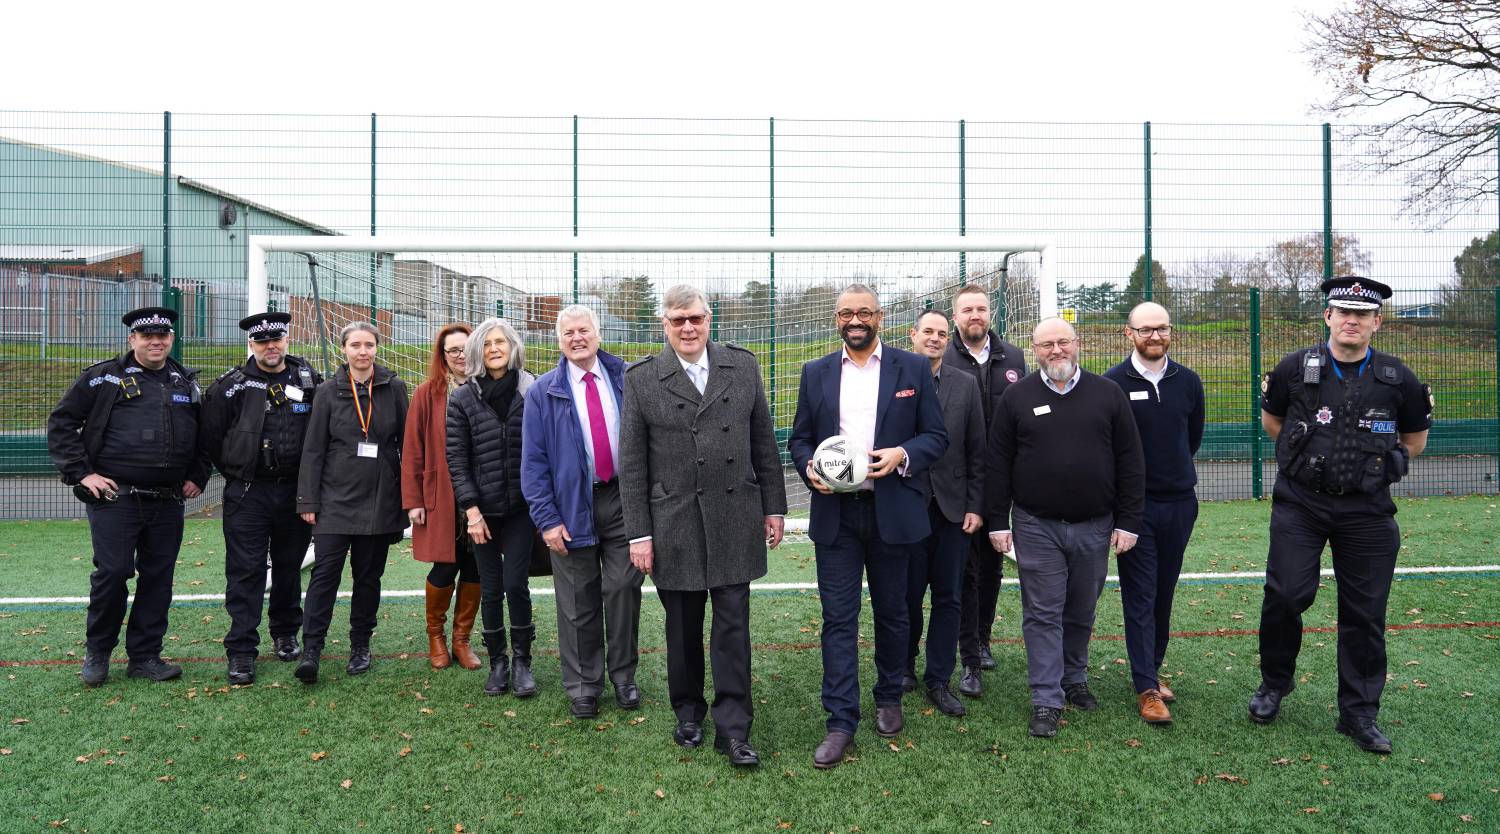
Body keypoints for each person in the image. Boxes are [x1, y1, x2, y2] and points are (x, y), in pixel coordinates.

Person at [1250, 276, 1430, 754]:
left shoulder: (1397, 377)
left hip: (1367, 510)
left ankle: (1358, 713)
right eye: (1342, 311)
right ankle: (1274, 684)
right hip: (1302, 503)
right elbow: (1274, 423)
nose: (1352, 320)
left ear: (1377, 321)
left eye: (1362, 314)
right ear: (1327, 317)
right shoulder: (1294, 368)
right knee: (1286, 594)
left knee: (1365, 613)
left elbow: (1413, 439)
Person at [619, 285, 788, 768]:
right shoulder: (643, 378)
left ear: (709, 319)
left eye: (695, 318)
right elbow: (632, 465)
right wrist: (639, 534)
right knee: (683, 627)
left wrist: (774, 508)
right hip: (674, 522)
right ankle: (688, 710)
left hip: (735, 516)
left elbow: (762, 443)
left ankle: (734, 728)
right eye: (678, 321)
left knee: (733, 628)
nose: (688, 328)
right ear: (664, 325)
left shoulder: (743, 366)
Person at [788, 284, 947, 770]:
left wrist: (903, 454)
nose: (854, 320)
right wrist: (810, 469)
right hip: (837, 515)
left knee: (894, 613)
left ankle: (889, 696)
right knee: (838, 620)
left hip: (892, 511)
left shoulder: (912, 368)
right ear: (836, 319)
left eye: (863, 312)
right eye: (845, 314)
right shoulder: (815, 372)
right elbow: (799, 440)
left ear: (879, 316)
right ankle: (840, 722)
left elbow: (936, 437)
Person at [984, 317, 1145, 739]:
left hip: (1096, 525)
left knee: (1080, 610)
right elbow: (998, 464)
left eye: (1063, 342)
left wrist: (1128, 521)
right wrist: (998, 522)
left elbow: (1131, 461)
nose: (1056, 351)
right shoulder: (1017, 397)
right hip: (1036, 525)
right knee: (1042, 613)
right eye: (1046, 345)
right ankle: (1045, 699)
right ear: (1033, 350)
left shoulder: (1108, 394)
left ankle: (1074, 679)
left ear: (1078, 344)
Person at [47, 306, 208, 686]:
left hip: (168, 501)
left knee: (158, 579)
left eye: (163, 335)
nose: (156, 341)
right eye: (147, 335)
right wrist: (83, 473)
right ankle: (98, 652)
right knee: (113, 573)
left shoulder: (185, 381)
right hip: (116, 498)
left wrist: (198, 475)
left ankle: (145, 656)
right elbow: (62, 423)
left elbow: (204, 436)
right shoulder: (103, 377)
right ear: (132, 339)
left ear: (171, 339)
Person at [521, 305, 644, 719]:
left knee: (623, 589)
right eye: (569, 332)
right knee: (576, 599)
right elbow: (533, 464)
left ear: (598, 334)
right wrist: (547, 519)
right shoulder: (543, 391)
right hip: (571, 504)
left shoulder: (628, 377)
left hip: (623, 500)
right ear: (559, 340)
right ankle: (583, 686)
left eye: (584, 330)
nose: (577, 338)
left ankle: (624, 676)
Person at [201, 311, 324, 685]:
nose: (271, 347)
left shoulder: (307, 378)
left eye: (277, 340)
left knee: (289, 567)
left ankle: (286, 633)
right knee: (246, 571)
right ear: (251, 344)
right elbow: (210, 436)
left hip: (294, 492)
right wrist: (238, 471)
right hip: (249, 492)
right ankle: (241, 649)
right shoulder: (231, 386)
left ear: (286, 341)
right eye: (262, 341)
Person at [1103, 302, 1204, 725]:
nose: (1154, 337)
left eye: (1161, 329)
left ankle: (1153, 669)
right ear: (1129, 334)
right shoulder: (1111, 384)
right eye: (1145, 330)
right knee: (1140, 596)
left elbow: (1192, 437)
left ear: (1170, 331)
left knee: (1164, 592)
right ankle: (1146, 687)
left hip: (1180, 504)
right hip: (1135, 508)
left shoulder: (1188, 382)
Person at [295, 322, 409, 684]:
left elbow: (409, 446)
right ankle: (311, 648)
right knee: (324, 576)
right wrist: (308, 500)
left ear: (377, 347)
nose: (363, 351)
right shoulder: (328, 392)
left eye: (369, 345)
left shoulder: (395, 389)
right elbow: (312, 449)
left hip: (380, 500)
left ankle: (360, 645)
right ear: (343, 349)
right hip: (333, 501)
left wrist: (408, 500)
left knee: (368, 579)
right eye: (355, 345)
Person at [445, 318, 539, 697]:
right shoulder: (463, 397)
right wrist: (471, 511)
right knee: (491, 587)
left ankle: (522, 662)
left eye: (501, 342)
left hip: (520, 509)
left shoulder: (533, 389)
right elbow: (457, 459)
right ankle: (498, 662)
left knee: (516, 585)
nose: (495, 348)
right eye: (487, 344)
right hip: (481, 513)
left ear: (512, 346)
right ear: (477, 351)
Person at [943, 284, 1027, 698]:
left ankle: (985, 636)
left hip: (1001, 478)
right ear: (955, 316)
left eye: (981, 309)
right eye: (967, 310)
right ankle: (967, 648)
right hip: (957, 479)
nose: (975, 315)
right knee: (965, 570)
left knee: (993, 564)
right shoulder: (943, 354)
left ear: (990, 313)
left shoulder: (1012, 357)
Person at [903, 308, 984, 718]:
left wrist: (974, 504)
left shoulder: (965, 384)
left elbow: (976, 450)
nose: (934, 338)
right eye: (927, 332)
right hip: (908, 506)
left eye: (940, 333)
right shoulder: (894, 378)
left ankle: (939, 678)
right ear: (912, 335)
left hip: (953, 509)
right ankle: (903, 669)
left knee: (949, 598)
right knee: (907, 596)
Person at [402, 323, 484, 673]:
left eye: (466, 348)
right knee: (445, 565)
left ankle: (461, 640)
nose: (461, 355)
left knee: (477, 565)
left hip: (483, 497)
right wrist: (414, 500)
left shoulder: (487, 388)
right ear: (443, 356)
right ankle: (435, 636)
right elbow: (413, 449)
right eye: (453, 351)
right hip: (441, 496)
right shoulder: (427, 393)